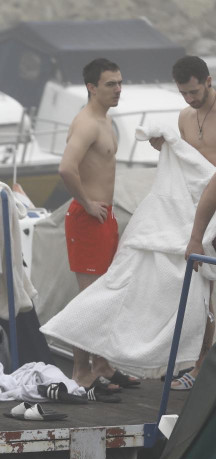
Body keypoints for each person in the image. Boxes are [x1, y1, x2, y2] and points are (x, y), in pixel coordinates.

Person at [58, 58, 139, 391]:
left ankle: (102, 364)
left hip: (103, 217)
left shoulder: (104, 120)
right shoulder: (87, 123)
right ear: (91, 87)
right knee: (88, 299)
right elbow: (66, 168)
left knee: (106, 296)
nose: (118, 89)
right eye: (110, 84)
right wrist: (87, 203)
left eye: (120, 83)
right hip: (87, 217)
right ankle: (80, 371)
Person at [150, 56, 216, 390]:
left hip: (210, 215)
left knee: (213, 294)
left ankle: (203, 364)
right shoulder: (185, 117)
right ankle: (191, 359)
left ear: (208, 80)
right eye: (183, 93)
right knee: (196, 291)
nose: (190, 99)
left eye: (194, 91)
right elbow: (187, 165)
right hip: (194, 210)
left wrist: (197, 235)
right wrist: (166, 147)